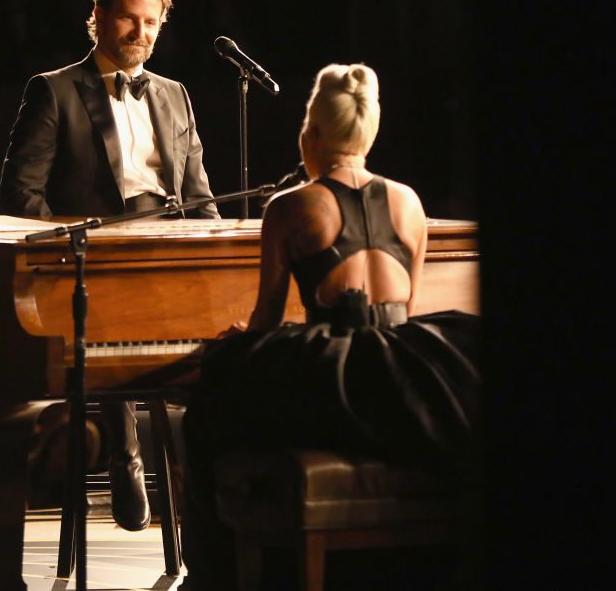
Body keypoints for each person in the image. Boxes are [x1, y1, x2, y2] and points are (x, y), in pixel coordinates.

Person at [177, 64, 481, 590]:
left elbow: (266, 319)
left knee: (205, 405)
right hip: (406, 371)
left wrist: (240, 343)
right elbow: (406, 307)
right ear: (368, 133)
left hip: (337, 379)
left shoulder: (290, 206)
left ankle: (218, 578)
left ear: (311, 134)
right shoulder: (410, 203)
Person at [0, 0, 219, 532]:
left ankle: (209, 478)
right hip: (95, 254)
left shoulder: (175, 95)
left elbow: (200, 197)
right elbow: (20, 192)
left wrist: (218, 261)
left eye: (151, 23)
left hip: (168, 248)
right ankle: (125, 457)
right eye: (128, 18)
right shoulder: (54, 90)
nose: (140, 32)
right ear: (98, 16)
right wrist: (63, 253)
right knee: (112, 313)